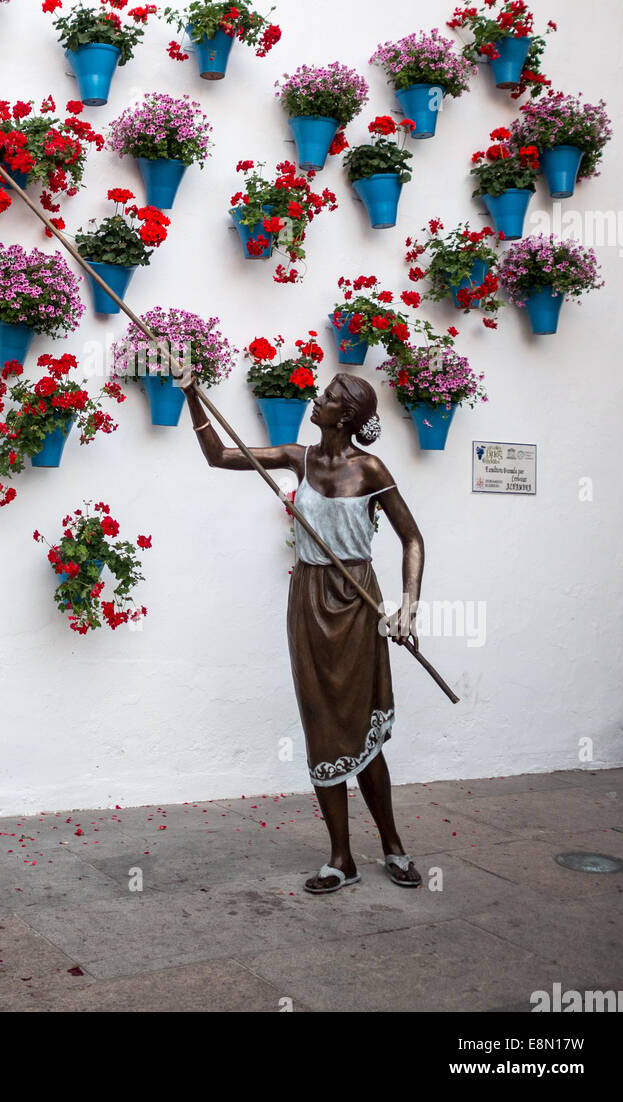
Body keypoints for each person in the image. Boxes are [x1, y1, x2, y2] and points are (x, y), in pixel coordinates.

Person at [180, 369, 425, 893]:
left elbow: (412, 539)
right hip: (309, 600)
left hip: (357, 598)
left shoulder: (371, 469)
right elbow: (218, 456)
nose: (319, 399)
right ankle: (341, 857)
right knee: (322, 728)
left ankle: (393, 846)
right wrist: (190, 396)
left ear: (349, 416)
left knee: (361, 731)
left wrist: (409, 605)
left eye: (331, 398)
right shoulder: (298, 458)